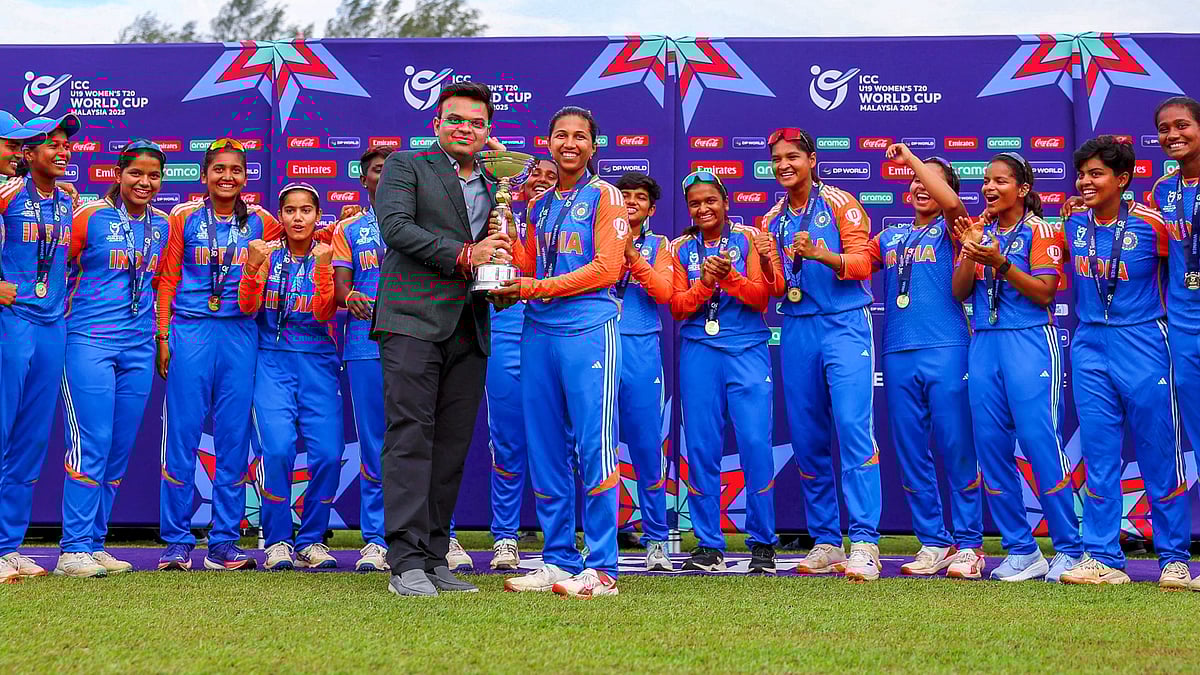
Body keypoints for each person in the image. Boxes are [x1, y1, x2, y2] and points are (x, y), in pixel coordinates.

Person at [373, 81, 511, 597]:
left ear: (488, 130)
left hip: (470, 323)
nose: (465, 129)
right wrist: (466, 255)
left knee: (451, 447)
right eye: (455, 119)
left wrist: (498, 267)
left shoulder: (495, 180)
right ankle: (404, 561)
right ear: (436, 124)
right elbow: (395, 228)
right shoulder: (407, 165)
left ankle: (433, 558)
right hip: (411, 320)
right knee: (410, 437)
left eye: (476, 123)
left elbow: (500, 237)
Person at [495, 106, 626, 598]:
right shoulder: (538, 204)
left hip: (588, 328)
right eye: (561, 135)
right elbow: (531, 263)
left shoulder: (606, 195)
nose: (570, 144)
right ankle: (557, 559)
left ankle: (603, 566)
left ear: (593, 146)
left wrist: (532, 286)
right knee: (546, 447)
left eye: (580, 136)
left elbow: (606, 269)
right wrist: (506, 247)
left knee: (595, 446)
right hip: (539, 329)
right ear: (548, 143)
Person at [1051, 135, 1191, 589]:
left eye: (1097, 174)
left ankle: (1174, 558)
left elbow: (1182, 275)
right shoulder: (1072, 221)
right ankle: (1102, 556)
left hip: (1144, 340)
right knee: (1099, 455)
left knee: (1159, 452)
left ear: (1123, 179)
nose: (1085, 182)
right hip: (1090, 342)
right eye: (1082, 174)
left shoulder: (1154, 225)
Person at [951, 151, 1082, 582]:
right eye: (987, 181)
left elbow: (1045, 293)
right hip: (985, 341)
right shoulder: (981, 230)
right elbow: (959, 292)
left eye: (1000, 181)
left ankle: (1069, 548)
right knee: (990, 447)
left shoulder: (1040, 230)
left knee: (1040, 442)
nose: (989, 188)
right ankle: (1022, 550)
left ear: (1023, 189)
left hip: (1029, 339)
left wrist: (1001, 264)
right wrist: (970, 251)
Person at [759, 128, 882, 581]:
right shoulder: (772, 218)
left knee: (852, 429)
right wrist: (762, 262)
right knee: (807, 437)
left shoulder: (841, 203)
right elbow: (777, 286)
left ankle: (864, 541)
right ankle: (827, 540)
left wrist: (820, 254)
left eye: (792, 157)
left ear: (812, 160)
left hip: (844, 323)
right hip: (797, 326)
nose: (784, 165)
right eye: (777, 159)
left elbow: (864, 264)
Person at [155, 138, 281, 572]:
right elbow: (168, 279)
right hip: (191, 328)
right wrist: (163, 335)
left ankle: (224, 541)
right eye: (219, 169)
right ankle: (176, 540)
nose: (227, 177)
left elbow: (302, 239)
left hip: (240, 332)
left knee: (233, 438)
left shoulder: (263, 221)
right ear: (204, 174)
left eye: (236, 170)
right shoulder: (184, 217)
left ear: (246, 177)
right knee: (182, 436)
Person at [868, 144, 984, 578]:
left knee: (957, 446)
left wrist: (914, 161)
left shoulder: (955, 228)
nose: (921, 186)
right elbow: (854, 262)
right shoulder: (891, 237)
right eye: (915, 180)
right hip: (897, 351)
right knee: (911, 451)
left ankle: (969, 544)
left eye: (931, 181)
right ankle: (933, 540)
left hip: (947, 348)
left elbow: (951, 203)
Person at [55, 140, 170, 578]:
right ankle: (72, 549)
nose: (144, 182)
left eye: (153, 175)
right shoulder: (87, 216)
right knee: (92, 442)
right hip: (89, 341)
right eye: (135, 173)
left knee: (119, 448)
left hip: (138, 347)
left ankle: (94, 542)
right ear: (118, 174)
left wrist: (160, 337)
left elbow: (159, 284)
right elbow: (49, 262)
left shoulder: (162, 224)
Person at [670, 170, 781, 574]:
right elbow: (678, 306)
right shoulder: (681, 248)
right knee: (701, 446)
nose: (703, 208)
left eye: (710, 200)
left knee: (754, 444)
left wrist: (729, 277)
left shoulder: (749, 238)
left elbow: (761, 297)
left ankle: (763, 543)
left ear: (726, 202)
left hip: (746, 349)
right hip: (700, 350)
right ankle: (708, 544)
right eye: (695, 203)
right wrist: (705, 283)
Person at [239, 182, 341, 571]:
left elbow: (324, 312)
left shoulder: (327, 253)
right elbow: (247, 306)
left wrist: (324, 268)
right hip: (272, 361)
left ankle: (312, 539)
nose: (298, 218)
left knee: (328, 454)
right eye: (290, 210)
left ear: (318, 216)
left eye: (306, 210)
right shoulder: (265, 253)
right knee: (278, 450)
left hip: (318, 362)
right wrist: (252, 267)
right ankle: (278, 540)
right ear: (280, 216)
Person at [0, 113, 78, 581]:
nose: (62, 151)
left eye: (66, 145)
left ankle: (7, 547)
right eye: (52, 144)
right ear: (28, 154)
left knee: (30, 441)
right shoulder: (7, 192)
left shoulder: (69, 200)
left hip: (53, 325)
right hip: (13, 322)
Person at [485, 152, 558, 571]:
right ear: (519, 183)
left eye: (551, 175)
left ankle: (561, 539)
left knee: (562, 443)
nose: (542, 180)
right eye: (535, 174)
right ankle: (506, 538)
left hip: (556, 334)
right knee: (508, 441)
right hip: (507, 333)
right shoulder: (500, 218)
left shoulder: (571, 221)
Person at [331, 146, 394, 572]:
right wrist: (350, 295)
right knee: (374, 442)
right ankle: (375, 539)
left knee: (422, 438)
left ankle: (437, 535)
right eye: (377, 171)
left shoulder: (423, 223)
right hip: (365, 345)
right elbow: (340, 289)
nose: (384, 177)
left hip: (418, 342)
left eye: (392, 170)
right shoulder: (350, 229)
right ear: (364, 179)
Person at [1146, 96, 1200, 592]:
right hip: (1183, 326)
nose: (1172, 135)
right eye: (1164, 129)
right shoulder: (1163, 190)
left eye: (1182, 125)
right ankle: (1178, 558)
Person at [612, 171, 672, 571]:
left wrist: (633, 256)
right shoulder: (595, 236)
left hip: (641, 347)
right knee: (596, 447)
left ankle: (656, 540)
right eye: (626, 195)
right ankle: (599, 538)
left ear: (651, 208)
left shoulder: (660, 245)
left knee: (648, 447)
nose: (632, 201)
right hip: (598, 342)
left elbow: (664, 292)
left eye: (640, 197)